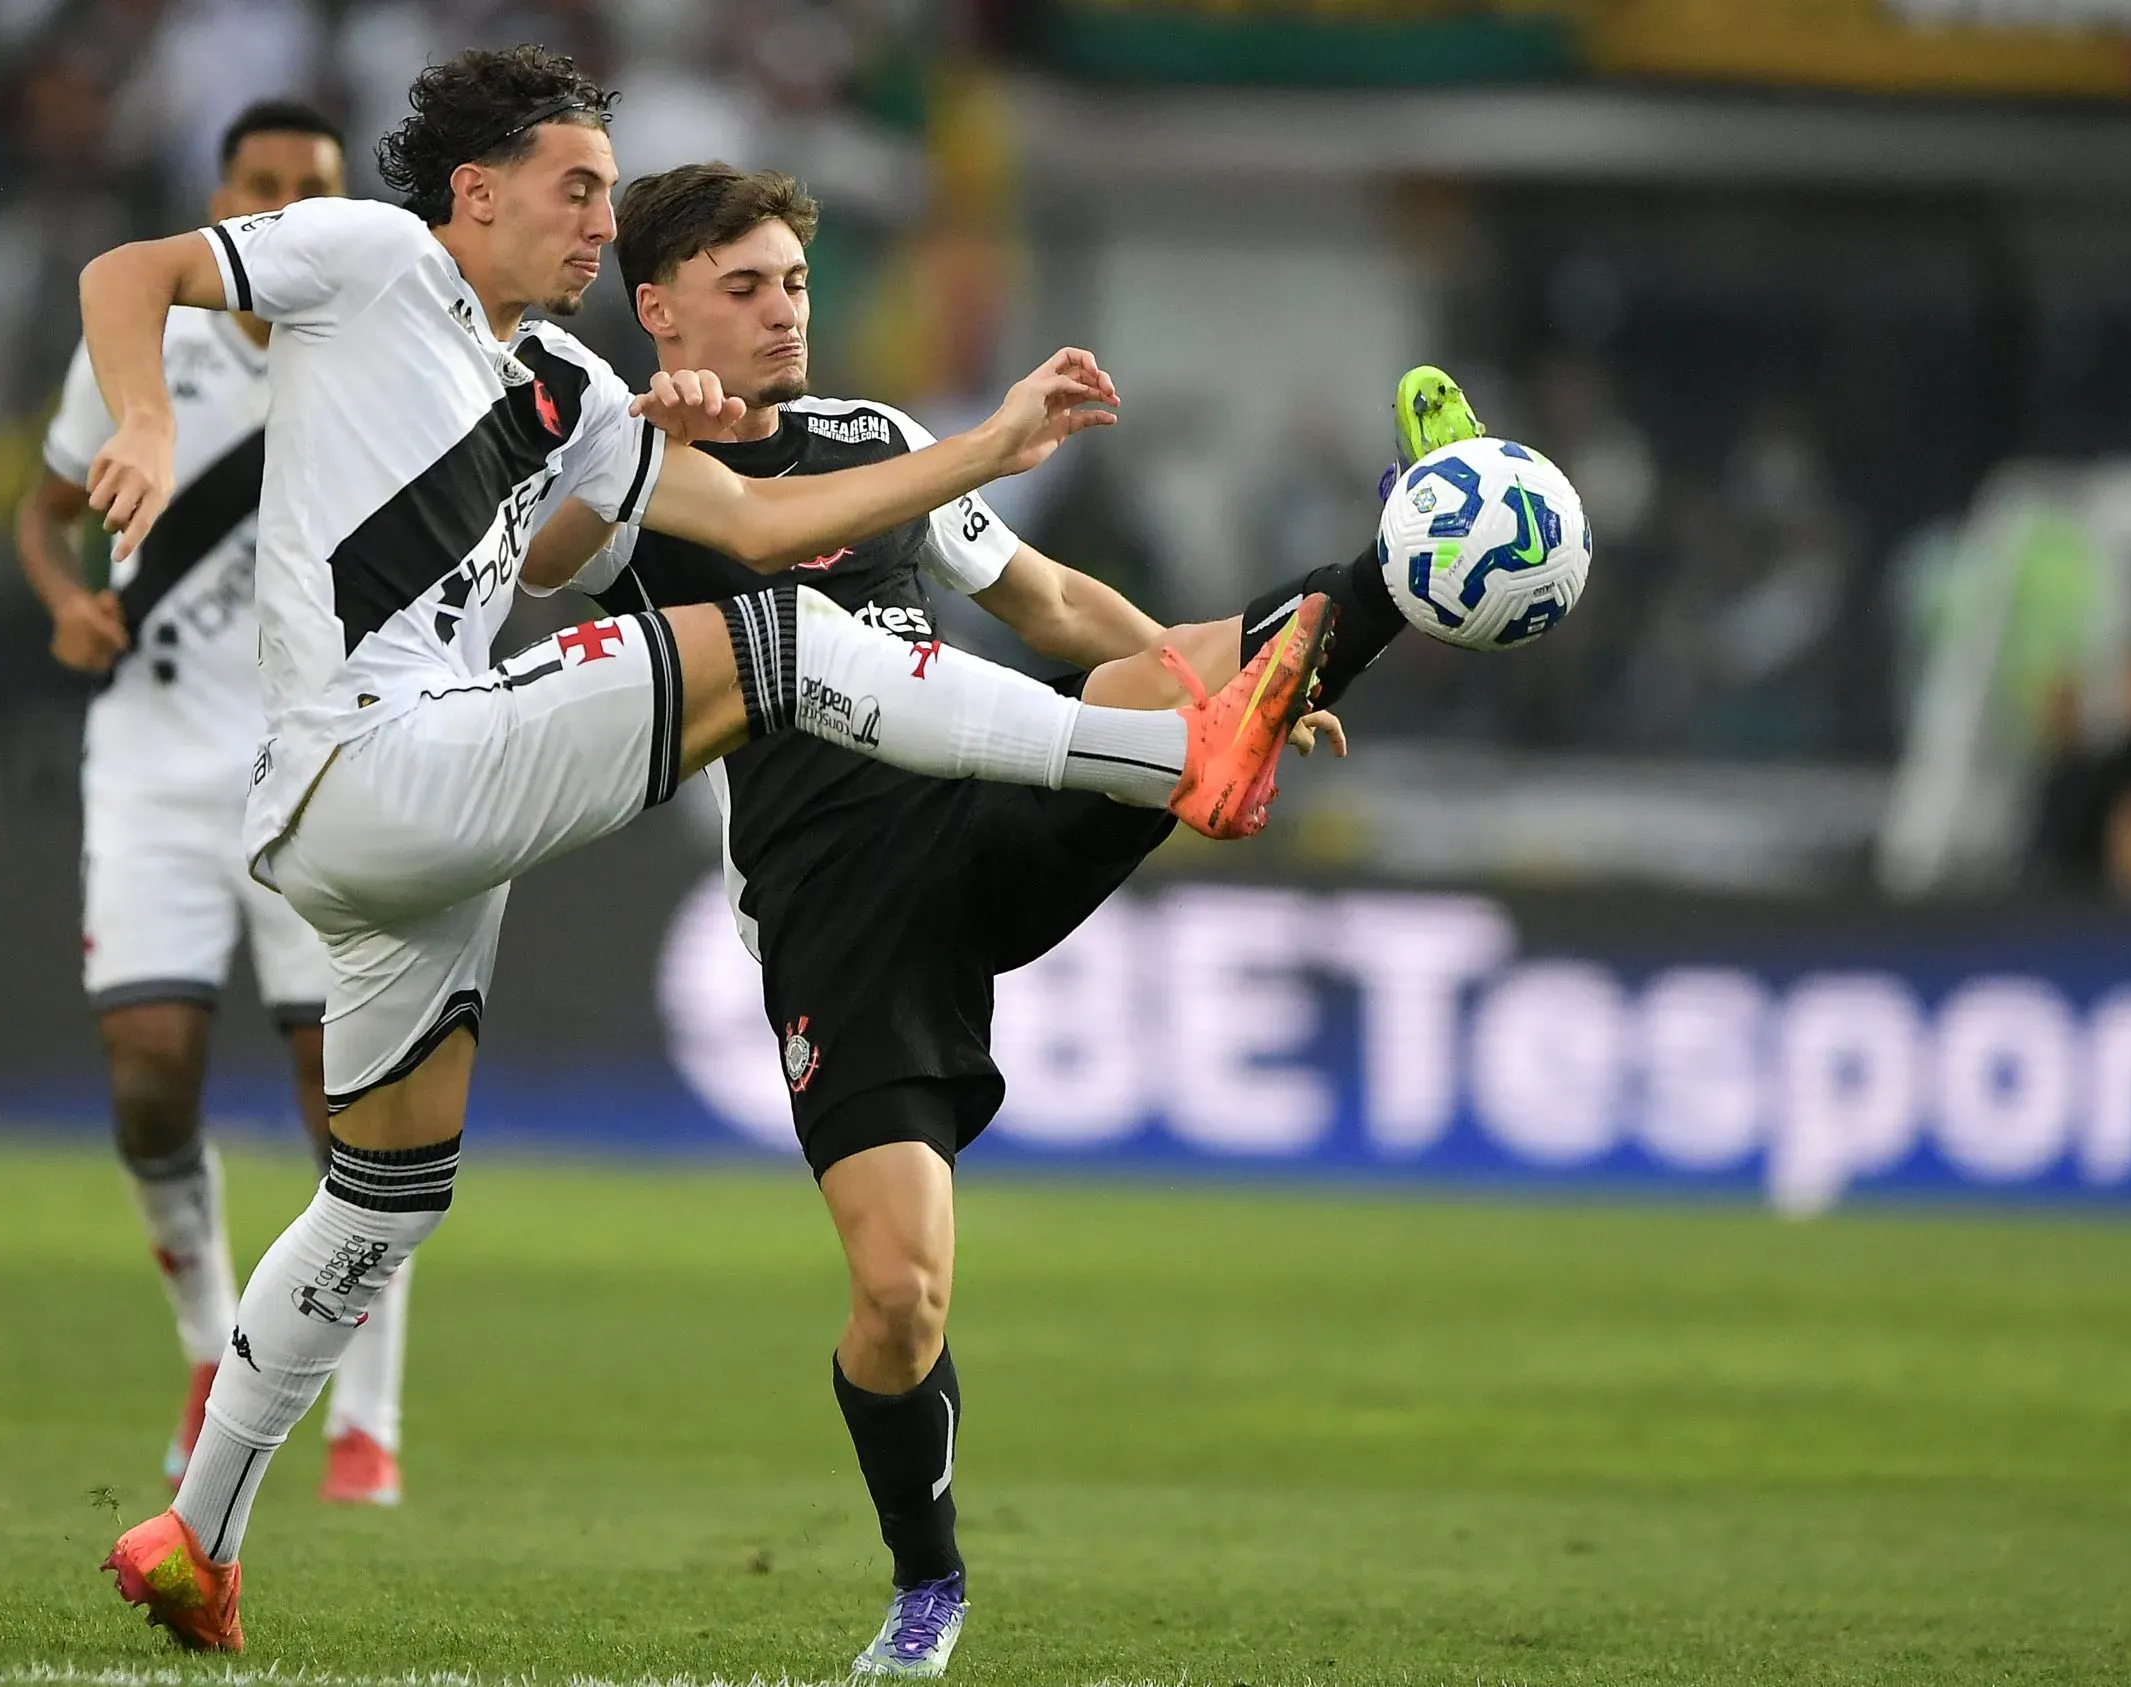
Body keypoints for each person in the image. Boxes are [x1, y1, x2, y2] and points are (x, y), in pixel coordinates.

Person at [73, 46, 1337, 1651]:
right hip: (371, 759)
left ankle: (198, 1536)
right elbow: (131, 271)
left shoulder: (567, 391)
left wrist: (984, 446)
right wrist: (141, 418)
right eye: (577, 188)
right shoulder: (377, 257)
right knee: (779, 647)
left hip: (404, 829)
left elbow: (756, 523)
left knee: (384, 1193)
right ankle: (1176, 759)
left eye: (611, 193)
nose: (601, 222)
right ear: (476, 192)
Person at [520, 162, 1466, 1677]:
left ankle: (1412, 560)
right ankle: (929, 1581)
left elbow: (1048, 603)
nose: (784, 313)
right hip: (842, 909)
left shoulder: (875, 440)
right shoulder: (635, 468)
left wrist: (1231, 691)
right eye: (745, 288)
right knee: (900, 1300)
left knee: (1151, 681)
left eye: (795, 284)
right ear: (660, 308)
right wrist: (639, 439)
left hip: (988, 791)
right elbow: (535, 562)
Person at [13, 99, 410, 1512]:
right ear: (220, 194)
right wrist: (66, 602)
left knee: (349, 1101)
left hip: (316, 765)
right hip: (154, 762)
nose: (284, 202)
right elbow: (45, 513)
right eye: (260, 180)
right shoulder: (145, 342)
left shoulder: (374, 350)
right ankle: (204, 1345)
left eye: (312, 184)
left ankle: (366, 1409)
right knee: (148, 1076)